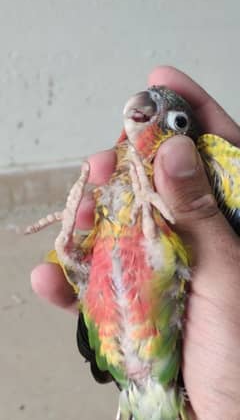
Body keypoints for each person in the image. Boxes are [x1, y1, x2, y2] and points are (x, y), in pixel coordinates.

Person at [31, 66, 240, 419]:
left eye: (173, 122)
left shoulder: (196, 179)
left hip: (159, 365)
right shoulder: (119, 182)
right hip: (115, 347)